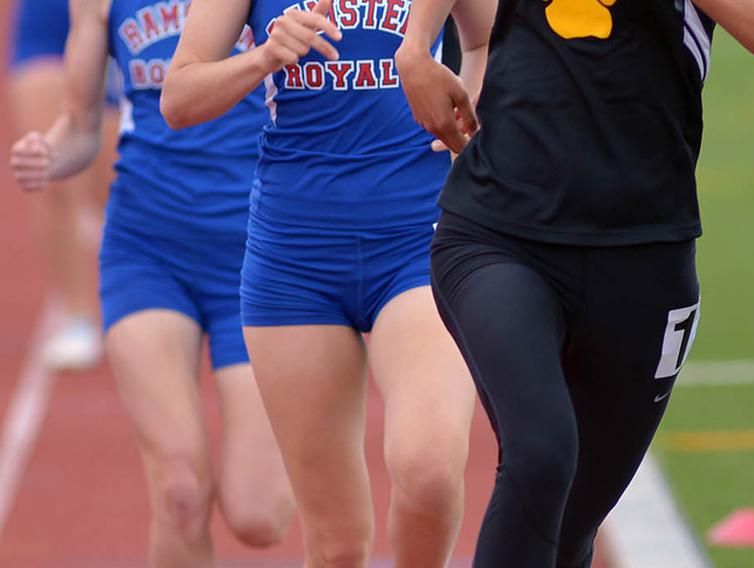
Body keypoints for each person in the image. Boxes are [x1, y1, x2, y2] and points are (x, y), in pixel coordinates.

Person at [395, 0, 754, 566]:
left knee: (570, 529)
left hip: (646, 257)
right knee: (543, 452)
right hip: (497, 234)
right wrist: (416, 45)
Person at [160, 0, 494, 565]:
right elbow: (179, 98)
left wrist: (473, 110)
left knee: (430, 468)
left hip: (420, 241)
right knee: (337, 544)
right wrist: (264, 56)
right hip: (295, 261)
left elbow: (487, 40)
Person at [9, 0, 296, 565]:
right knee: (179, 490)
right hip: (147, 252)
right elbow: (80, 127)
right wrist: (49, 152)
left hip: (257, 256)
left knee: (259, 514)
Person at [7, 0, 120, 370]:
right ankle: (76, 313)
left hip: (122, 13)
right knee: (48, 166)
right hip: (50, 16)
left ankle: (138, 303)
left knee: (116, 180)